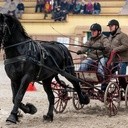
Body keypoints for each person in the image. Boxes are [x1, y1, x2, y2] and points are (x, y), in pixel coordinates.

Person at [107, 19, 128, 91]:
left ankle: (126, 90)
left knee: (121, 76)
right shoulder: (110, 37)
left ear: (116, 26)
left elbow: (126, 45)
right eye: (109, 26)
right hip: (113, 60)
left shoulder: (123, 35)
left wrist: (115, 49)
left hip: (122, 60)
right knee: (106, 74)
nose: (110, 27)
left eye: (111, 26)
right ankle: (105, 91)